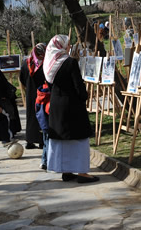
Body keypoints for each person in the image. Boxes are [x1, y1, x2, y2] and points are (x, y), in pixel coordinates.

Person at [43, 35, 98, 183]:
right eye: (67, 44)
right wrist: (84, 96)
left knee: (62, 140)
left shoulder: (49, 63)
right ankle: (82, 173)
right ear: (61, 46)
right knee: (79, 139)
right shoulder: (69, 62)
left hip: (56, 104)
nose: (69, 47)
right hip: (72, 105)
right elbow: (78, 86)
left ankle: (66, 170)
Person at [20, 43, 46, 149]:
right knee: (36, 116)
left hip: (33, 93)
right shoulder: (43, 64)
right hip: (39, 93)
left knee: (36, 116)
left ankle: (34, 140)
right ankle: (34, 140)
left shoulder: (27, 63)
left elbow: (22, 79)